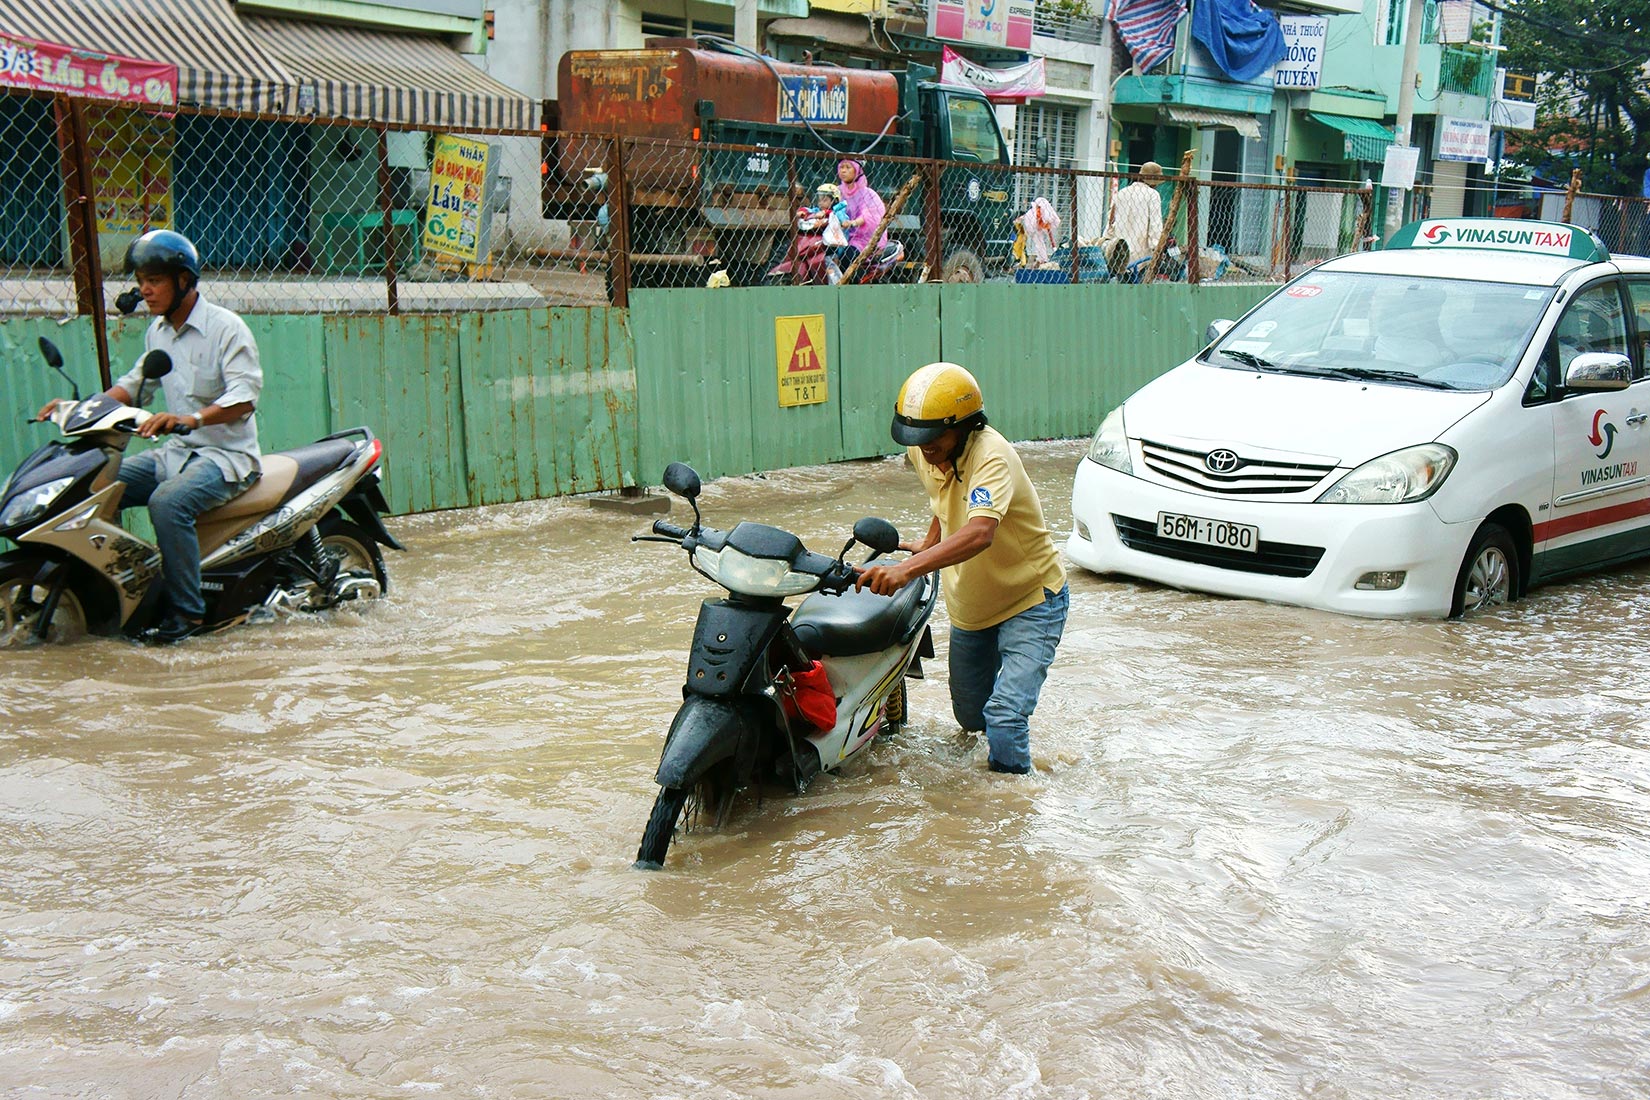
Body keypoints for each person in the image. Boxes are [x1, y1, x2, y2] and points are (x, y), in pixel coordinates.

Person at [38, 229, 263, 644]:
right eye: (141, 280)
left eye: (155, 279)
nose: (145, 289)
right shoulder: (158, 334)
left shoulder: (226, 328)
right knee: (103, 484)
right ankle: (117, 591)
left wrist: (191, 419)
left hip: (226, 457)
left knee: (167, 503)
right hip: (178, 453)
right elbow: (134, 385)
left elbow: (244, 398)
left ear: (183, 281)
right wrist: (79, 408)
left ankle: (187, 615)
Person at [855, 363, 1069, 775]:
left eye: (934, 438)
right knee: (972, 719)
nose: (925, 449)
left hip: (1031, 600)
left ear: (966, 427)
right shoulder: (925, 452)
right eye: (918, 439)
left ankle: (1007, 816)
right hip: (972, 606)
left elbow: (979, 532)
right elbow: (945, 497)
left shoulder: (992, 457)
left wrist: (909, 568)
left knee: (1004, 719)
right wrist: (930, 541)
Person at [828, 158, 888, 284]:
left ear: (857, 171)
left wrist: (852, 223)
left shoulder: (867, 194)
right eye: (841, 167)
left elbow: (869, 215)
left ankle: (853, 286)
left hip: (861, 238)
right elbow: (826, 205)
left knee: (847, 256)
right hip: (838, 236)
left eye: (848, 167)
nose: (843, 171)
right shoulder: (837, 191)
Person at [1111, 160, 1166, 266]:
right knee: (1139, 280)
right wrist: (1157, 248)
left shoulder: (1122, 192)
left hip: (1119, 250)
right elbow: (1155, 225)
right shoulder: (1153, 195)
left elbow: (1112, 219)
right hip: (1141, 253)